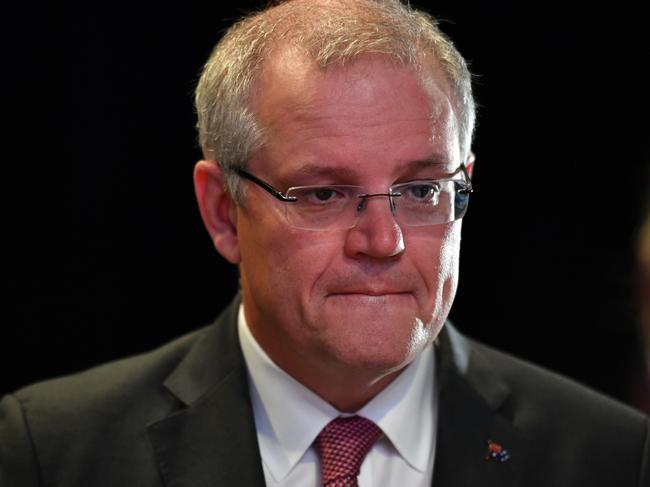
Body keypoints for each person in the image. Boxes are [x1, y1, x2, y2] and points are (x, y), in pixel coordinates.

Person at [1, 1, 648, 486]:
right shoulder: (50, 451)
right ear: (224, 212)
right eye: (323, 194)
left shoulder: (610, 456)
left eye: (421, 189)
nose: (383, 239)